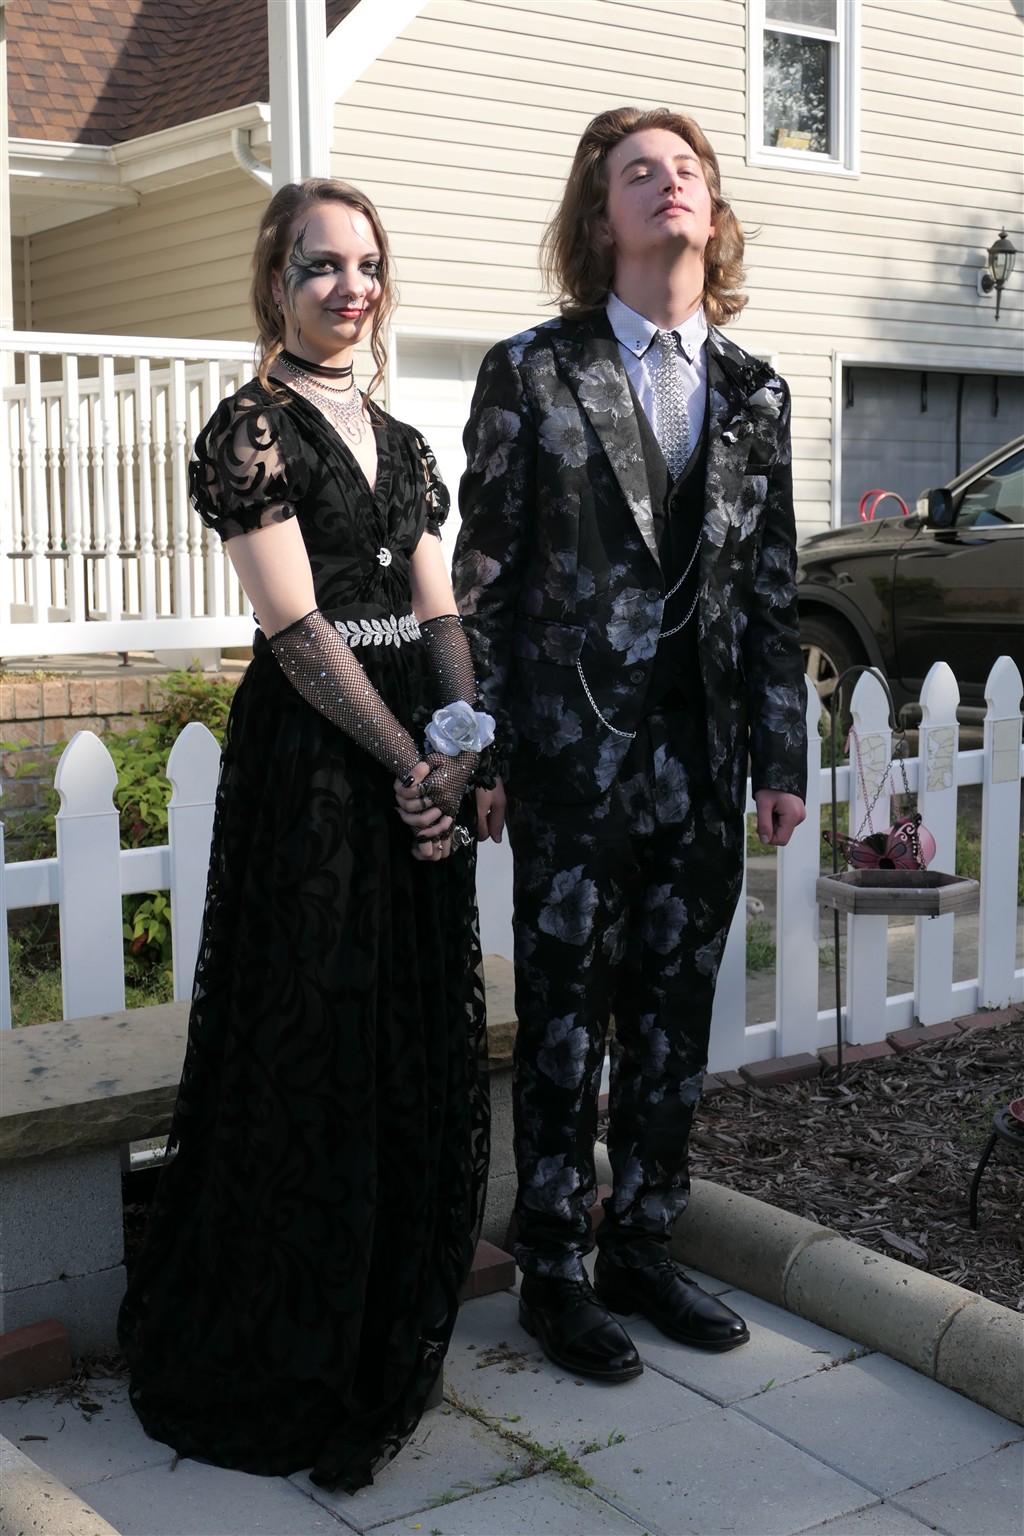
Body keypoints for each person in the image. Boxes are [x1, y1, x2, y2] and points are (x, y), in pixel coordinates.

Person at [118, 178, 490, 1490]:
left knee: (402, 1028)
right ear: (274, 281)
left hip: (412, 750)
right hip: (316, 765)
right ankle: (290, 1346)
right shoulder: (249, 431)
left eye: (367, 264)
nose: (350, 287)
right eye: (321, 264)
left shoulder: (405, 439)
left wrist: (463, 745)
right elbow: (295, 630)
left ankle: (381, 1313)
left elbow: (438, 612)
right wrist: (408, 763)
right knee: (313, 1027)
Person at [453, 107, 807, 1384]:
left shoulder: (756, 390)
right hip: (568, 757)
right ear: (597, 216)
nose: (668, 184)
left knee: (672, 1016)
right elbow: (483, 579)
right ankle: (553, 1267)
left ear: (712, 209)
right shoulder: (533, 370)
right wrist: (487, 751)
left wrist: (779, 759)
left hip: (703, 761)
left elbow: (771, 590)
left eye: (686, 168)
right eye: (637, 172)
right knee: (563, 1022)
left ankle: (642, 1245)